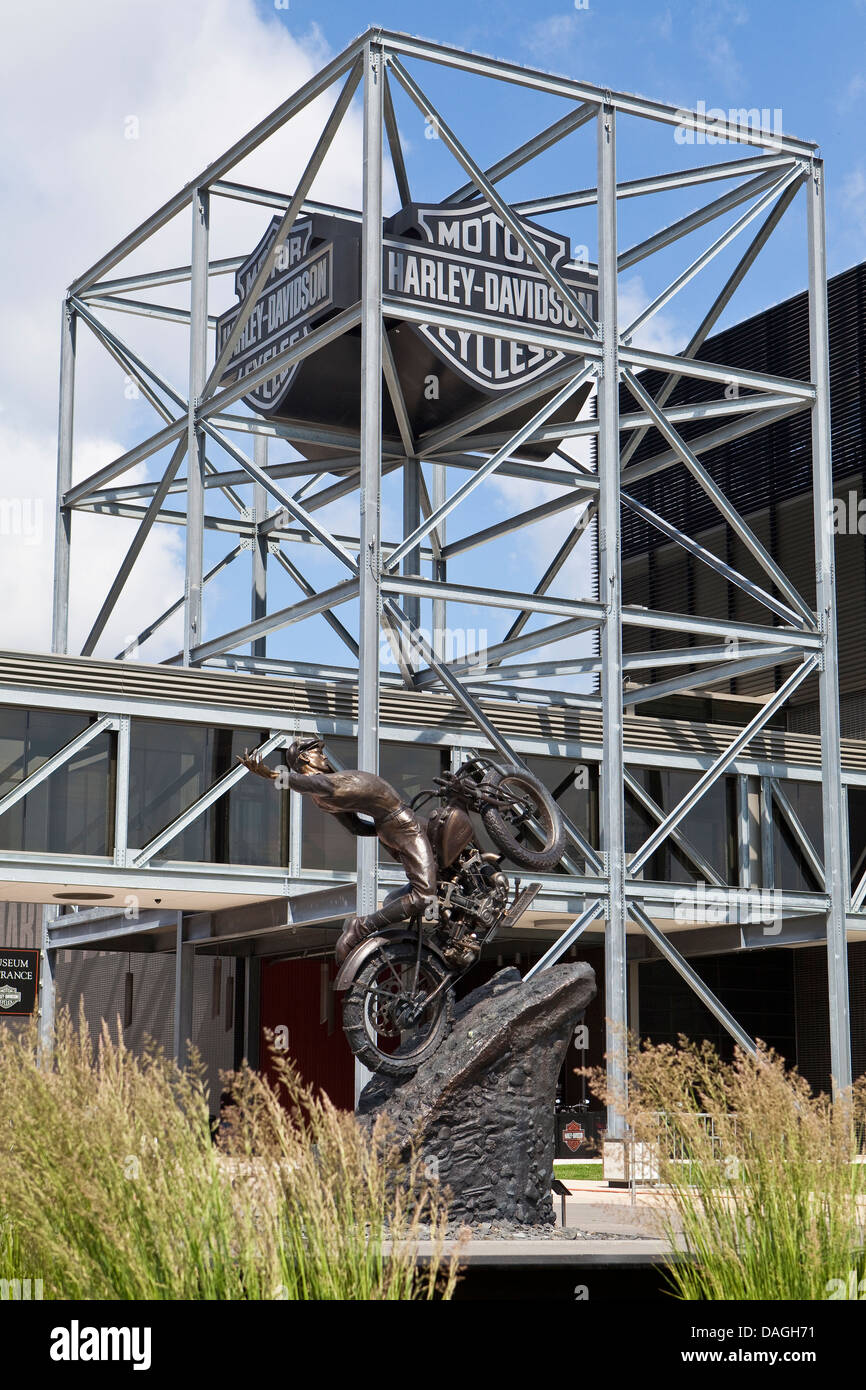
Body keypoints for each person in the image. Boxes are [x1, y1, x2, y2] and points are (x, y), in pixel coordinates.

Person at [238, 737, 438, 964]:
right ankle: (362, 926)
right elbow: (308, 784)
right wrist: (274, 775)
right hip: (401, 823)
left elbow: (356, 827)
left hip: (394, 825)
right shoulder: (323, 783)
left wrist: (386, 830)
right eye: (317, 752)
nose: (323, 756)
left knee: (444, 847)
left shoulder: (322, 797)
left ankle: (408, 900)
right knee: (424, 896)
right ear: (304, 757)